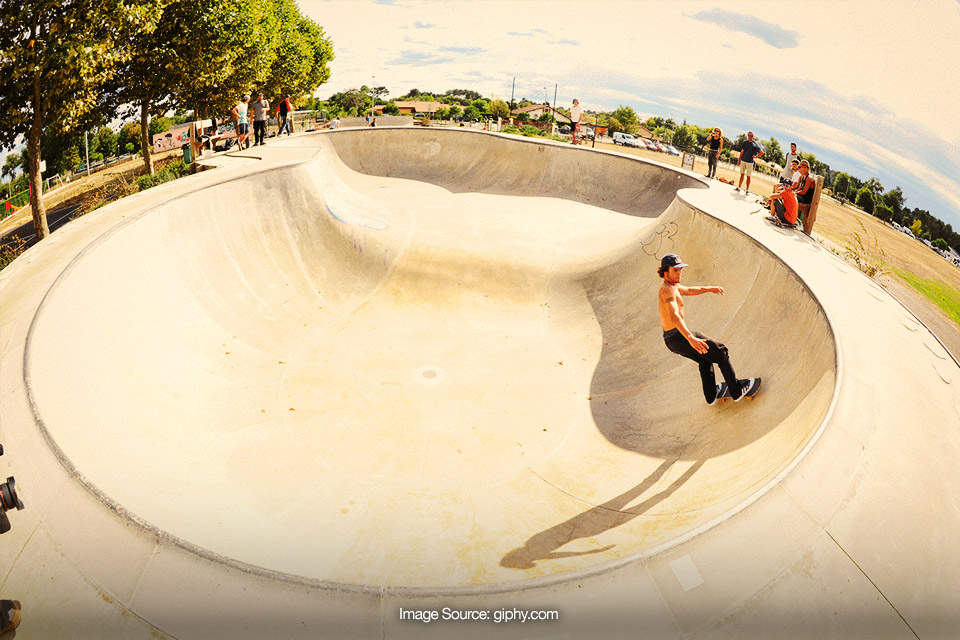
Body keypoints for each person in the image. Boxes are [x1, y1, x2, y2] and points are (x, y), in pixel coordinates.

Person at [658, 253, 758, 404]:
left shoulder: (673, 286)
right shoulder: (667, 290)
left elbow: (690, 290)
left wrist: (709, 288)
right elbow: (675, 316)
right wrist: (691, 338)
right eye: (675, 271)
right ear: (665, 272)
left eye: (680, 270)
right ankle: (737, 390)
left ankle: (711, 395)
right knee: (721, 352)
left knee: (705, 360)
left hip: (672, 340)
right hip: (680, 337)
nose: (679, 274)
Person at [793, 160, 817, 234]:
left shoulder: (809, 179)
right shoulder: (802, 177)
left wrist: (794, 193)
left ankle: (791, 218)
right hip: (801, 196)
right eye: (801, 167)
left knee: (792, 196)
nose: (802, 169)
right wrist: (792, 191)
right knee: (788, 194)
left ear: (808, 169)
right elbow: (799, 188)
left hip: (806, 199)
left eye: (805, 167)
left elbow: (804, 192)